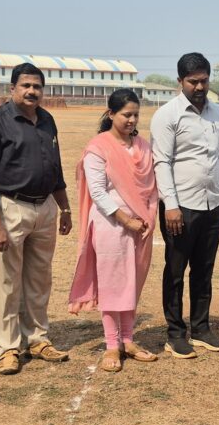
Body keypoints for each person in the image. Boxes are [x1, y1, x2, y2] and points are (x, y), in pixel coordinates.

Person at [0, 62, 73, 375]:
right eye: (26, 86)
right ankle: (6, 347)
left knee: (39, 279)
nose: (32, 91)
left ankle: (38, 338)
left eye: (37, 86)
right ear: (12, 89)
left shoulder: (47, 120)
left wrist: (65, 208)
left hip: (44, 208)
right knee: (5, 283)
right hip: (9, 208)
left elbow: (55, 167)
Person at [68, 89, 159, 373]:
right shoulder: (99, 147)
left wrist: (143, 220)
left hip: (140, 225)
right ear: (111, 114)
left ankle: (129, 341)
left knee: (132, 280)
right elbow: (97, 192)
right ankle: (111, 344)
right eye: (126, 115)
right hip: (110, 224)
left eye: (135, 115)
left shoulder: (142, 147)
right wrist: (126, 219)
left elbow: (151, 187)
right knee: (112, 283)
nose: (132, 120)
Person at [150, 52, 219, 357]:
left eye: (204, 80)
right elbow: (162, 161)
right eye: (193, 81)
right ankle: (175, 332)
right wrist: (170, 205)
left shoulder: (218, 113)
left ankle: (202, 328)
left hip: (212, 203)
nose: (199, 86)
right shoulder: (167, 115)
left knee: (204, 269)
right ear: (180, 81)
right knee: (175, 270)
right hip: (180, 207)